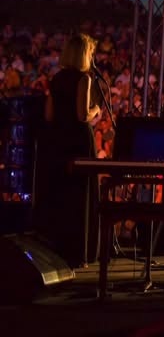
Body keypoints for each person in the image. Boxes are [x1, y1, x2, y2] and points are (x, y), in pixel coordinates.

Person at [35, 33, 101, 267]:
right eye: (91, 53)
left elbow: (49, 115)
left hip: (58, 142)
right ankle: (80, 254)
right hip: (79, 142)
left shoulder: (56, 78)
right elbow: (82, 115)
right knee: (80, 197)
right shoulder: (83, 79)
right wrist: (96, 110)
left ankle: (60, 252)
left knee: (63, 196)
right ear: (84, 54)